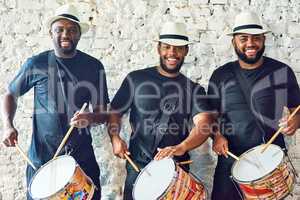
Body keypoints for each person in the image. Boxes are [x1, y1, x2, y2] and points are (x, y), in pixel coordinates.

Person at [1, 4, 109, 200]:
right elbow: (10, 94)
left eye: (72, 30)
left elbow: (104, 113)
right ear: (50, 32)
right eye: (60, 29)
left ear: (79, 34)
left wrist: (90, 118)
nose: (65, 34)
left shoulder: (94, 66)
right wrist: (8, 126)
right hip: (42, 159)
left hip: (81, 157)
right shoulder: (36, 64)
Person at [108, 21, 213, 200]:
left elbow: (204, 124)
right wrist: (115, 138)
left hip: (175, 169)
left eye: (178, 48)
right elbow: (115, 112)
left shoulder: (194, 89)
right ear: (159, 48)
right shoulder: (136, 79)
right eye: (167, 47)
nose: (172, 53)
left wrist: (182, 147)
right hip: (138, 166)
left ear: (186, 51)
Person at [208, 11, 300, 199]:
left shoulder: (282, 71)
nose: (250, 43)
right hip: (230, 160)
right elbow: (210, 115)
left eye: (256, 38)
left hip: (269, 162)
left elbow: (297, 110)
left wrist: (295, 122)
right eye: (244, 38)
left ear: (263, 39)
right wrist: (216, 136)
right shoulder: (220, 75)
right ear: (234, 41)